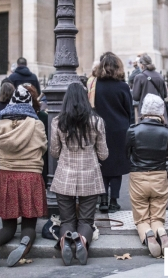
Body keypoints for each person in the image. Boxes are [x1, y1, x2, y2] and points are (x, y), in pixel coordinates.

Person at [0, 85, 47, 268]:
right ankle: (24, 244)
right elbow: (43, 148)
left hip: (7, 177)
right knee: (29, 226)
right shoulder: (36, 125)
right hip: (31, 177)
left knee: (8, 227)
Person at [50, 83, 108, 266]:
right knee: (86, 220)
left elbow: (54, 151)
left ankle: (65, 241)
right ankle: (82, 241)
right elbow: (104, 154)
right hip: (90, 174)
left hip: (64, 176)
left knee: (66, 219)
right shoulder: (97, 121)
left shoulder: (58, 121)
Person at [126, 94, 168, 257]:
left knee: (141, 217)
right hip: (159, 174)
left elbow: (127, 153)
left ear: (143, 110)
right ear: (161, 112)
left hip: (138, 175)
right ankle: (161, 232)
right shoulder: (167, 131)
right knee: (158, 215)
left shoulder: (133, 130)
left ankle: (147, 234)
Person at [92, 52, 133, 213]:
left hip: (100, 128)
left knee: (101, 164)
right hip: (119, 129)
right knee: (117, 166)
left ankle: (102, 199)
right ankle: (114, 200)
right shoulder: (123, 86)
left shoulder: (96, 85)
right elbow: (129, 110)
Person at [132, 54, 168, 123]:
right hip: (159, 112)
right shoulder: (160, 76)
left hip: (145, 113)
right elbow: (165, 95)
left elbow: (135, 97)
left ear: (142, 65)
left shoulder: (139, 77)